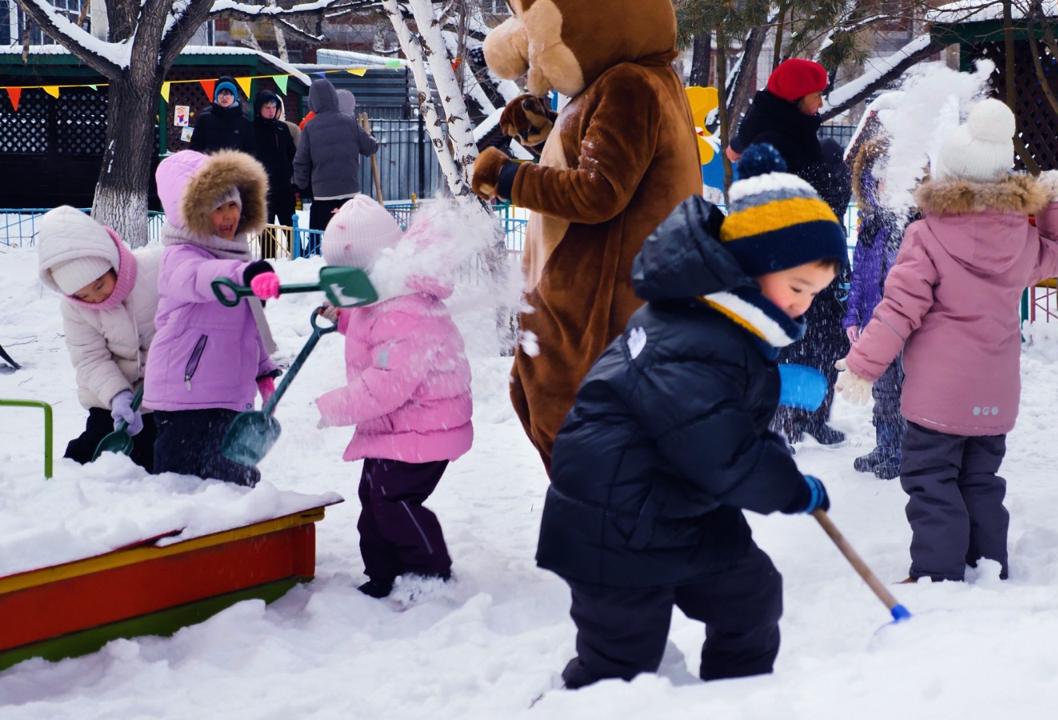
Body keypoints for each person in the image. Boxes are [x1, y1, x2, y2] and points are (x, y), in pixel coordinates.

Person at [536, 144, 844, 690]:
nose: (803, 306)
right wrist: (789, 489)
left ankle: (738, 697)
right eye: (797, 289)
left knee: (749, 597)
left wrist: (783, 462)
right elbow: (722, 454)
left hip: (679, 506)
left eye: (814, 295)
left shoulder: (717, 325)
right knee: (621, 657)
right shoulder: (692, 339)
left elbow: (733, 432)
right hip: (616, 520)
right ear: (752, 269)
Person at [837, 99, 1058, 582]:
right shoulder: (1021, 239)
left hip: (937, 398)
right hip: (996, 394)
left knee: (931, 480)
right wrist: (1057, 204)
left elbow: (899, 309)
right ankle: (987, 563)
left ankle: (937, 572)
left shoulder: (926, 237)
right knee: (981, 481)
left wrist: (864, 365)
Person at [471, 0, 702, 472]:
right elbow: (613, 161)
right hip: (617, 300)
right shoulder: (633, 80)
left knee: (588, 445)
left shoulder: (628, 84)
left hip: (602, 309)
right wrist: (546, 136)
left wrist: (509, 178)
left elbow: (601, 192)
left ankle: (601, 533)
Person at [311, 195, 474, 599]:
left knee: (393, 500)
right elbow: (374, 330)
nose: (345, 285)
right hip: (400, 428)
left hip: (424, 426)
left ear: (380, 266)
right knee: (375, 498)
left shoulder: (406, 309)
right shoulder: (384, 295)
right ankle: (382, 572)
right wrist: (344, 317)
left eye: (352, 275)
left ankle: (430, 571)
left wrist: (334, 407)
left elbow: (389, 384)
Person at [145, 150, 280, 487]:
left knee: (231, 480)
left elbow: (248, 325)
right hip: (184, 397)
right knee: (179, 482)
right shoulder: (179, 258)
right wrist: (244, 275)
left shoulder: (236, 256)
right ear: (192, 214)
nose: (228, 216)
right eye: (216, 208)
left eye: (232, 205)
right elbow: (202, 277)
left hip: (229, 395)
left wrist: (262, 368)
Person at [36, 206, 160, 472]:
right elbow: (89, 358)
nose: (94, 299)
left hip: (167, 393)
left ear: (113, 264)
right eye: (82, 295)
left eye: (99, 285)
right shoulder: (74, 308)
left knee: (159, 458)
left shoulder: (155, 271)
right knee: (93, 454)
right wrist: (117, 396)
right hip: (112, 400)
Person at [771, 136, 853, 447]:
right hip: (808, 297)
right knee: (809, 356)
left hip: (815, 299)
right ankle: (794, 419)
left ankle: (801, 418)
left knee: (812, 356)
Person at [843, 114, 909, 479]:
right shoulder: (870, 226)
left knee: (905, 390)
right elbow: (860, 280)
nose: (883, 187)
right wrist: (852, 317)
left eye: (890, 180)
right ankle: (885, 445)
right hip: (873, 323)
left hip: (905, 327)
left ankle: (903, 451)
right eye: (877, 180)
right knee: (883, 392)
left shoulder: (911, 225)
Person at [292, 79, 377, 232]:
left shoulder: (310, 127)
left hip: (323, 194)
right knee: (350, 235)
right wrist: (372, 139)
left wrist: (302, 183)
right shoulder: (349, 122)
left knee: (318, 240)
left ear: (312, 102)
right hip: (349, 192)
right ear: (334, 98)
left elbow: (301, 161)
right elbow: (369, 148)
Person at [251, 90, 297, 226]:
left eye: (274, 107)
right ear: (259, 108)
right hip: (263, 190)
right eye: (267, 107)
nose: (271, 111)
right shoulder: (251, 129)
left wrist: (292, 180)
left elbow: (292, 155)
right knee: (266, 237)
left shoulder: (282, 128)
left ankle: (297, 249)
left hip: (284, 189)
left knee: (292, 233)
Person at [190, 76, 255, 155]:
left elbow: (250, 152)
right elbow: (195, 147)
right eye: (221, 93)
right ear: (216, 96)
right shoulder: (205, 119)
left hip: (234, 165)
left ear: (234, 96)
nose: (224, 97)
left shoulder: (244, 122)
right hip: (209, 164)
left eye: (228, 94)